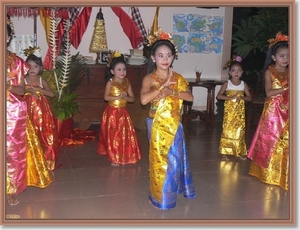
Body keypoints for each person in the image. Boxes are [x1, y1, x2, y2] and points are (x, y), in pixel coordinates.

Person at [140, 28, 196, 210]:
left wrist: (172, 91)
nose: (165, 59)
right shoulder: (149, 79)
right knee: (160, 160)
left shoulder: (178, 78)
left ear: (173, 57)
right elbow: (143, 100)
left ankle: (173, 190)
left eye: (169, 55)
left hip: (175, 125)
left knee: (175, 159)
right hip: (156, 125)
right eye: (161, 55)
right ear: (153, 58)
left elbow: (189, 97)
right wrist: (162, 86)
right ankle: (159, 197)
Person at [6, 15, 52, 206]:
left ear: (8, 37)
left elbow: (20, 89)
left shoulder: (16, 62)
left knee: (11, 153)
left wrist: (6, 86)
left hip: (12, 114)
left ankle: (9, 190)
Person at [247, 32, 289, 190]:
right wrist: (285, 88)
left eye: (288, 56)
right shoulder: (269, 72)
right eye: (282, 56)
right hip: (273, 111)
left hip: (288, 109)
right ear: (273, 57)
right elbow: (269, 93)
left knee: (285, 141)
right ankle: (266, 172)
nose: (285, 59)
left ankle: (284, 172)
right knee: (270, 140)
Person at [97, 50, 142, 166]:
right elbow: (106, 97)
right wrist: (117, 97)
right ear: (112, 71)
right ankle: (114, 156)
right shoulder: (110, 83)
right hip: (112, 112)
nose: (122, 72)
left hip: (123, 112)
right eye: (119, 69)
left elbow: (133, 99)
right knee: (114, 135)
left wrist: (126, 98)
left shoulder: (127, 82)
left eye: (124, 69)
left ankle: (125, 154)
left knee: (124, 135)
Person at [22, 48, 59, 171]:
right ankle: (29, 161)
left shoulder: (42, 80)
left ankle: (45, 160)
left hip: (42, 113)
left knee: (43, 134)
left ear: (40, 68)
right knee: (29, 135)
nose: (32, 69)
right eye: (30, 66)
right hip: (27, 112)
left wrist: (38, 89)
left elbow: (51, 94)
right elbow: (20, 92)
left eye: (36, 66)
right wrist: (29, 90)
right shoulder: (24, 80)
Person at [217, 56, 252, 161]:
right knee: (227, 131)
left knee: (240, 131)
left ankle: (240, 151)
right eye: (233, 71)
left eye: (239, 71)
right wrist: (229, 97)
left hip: (240, 113)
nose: (236, 73)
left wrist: (242, 97)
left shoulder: (243, 84)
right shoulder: (227, 83)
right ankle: (225, 152)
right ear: (229, 72)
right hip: (229, 113)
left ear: (242, 72)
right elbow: (219, 96)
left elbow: (249, 98)